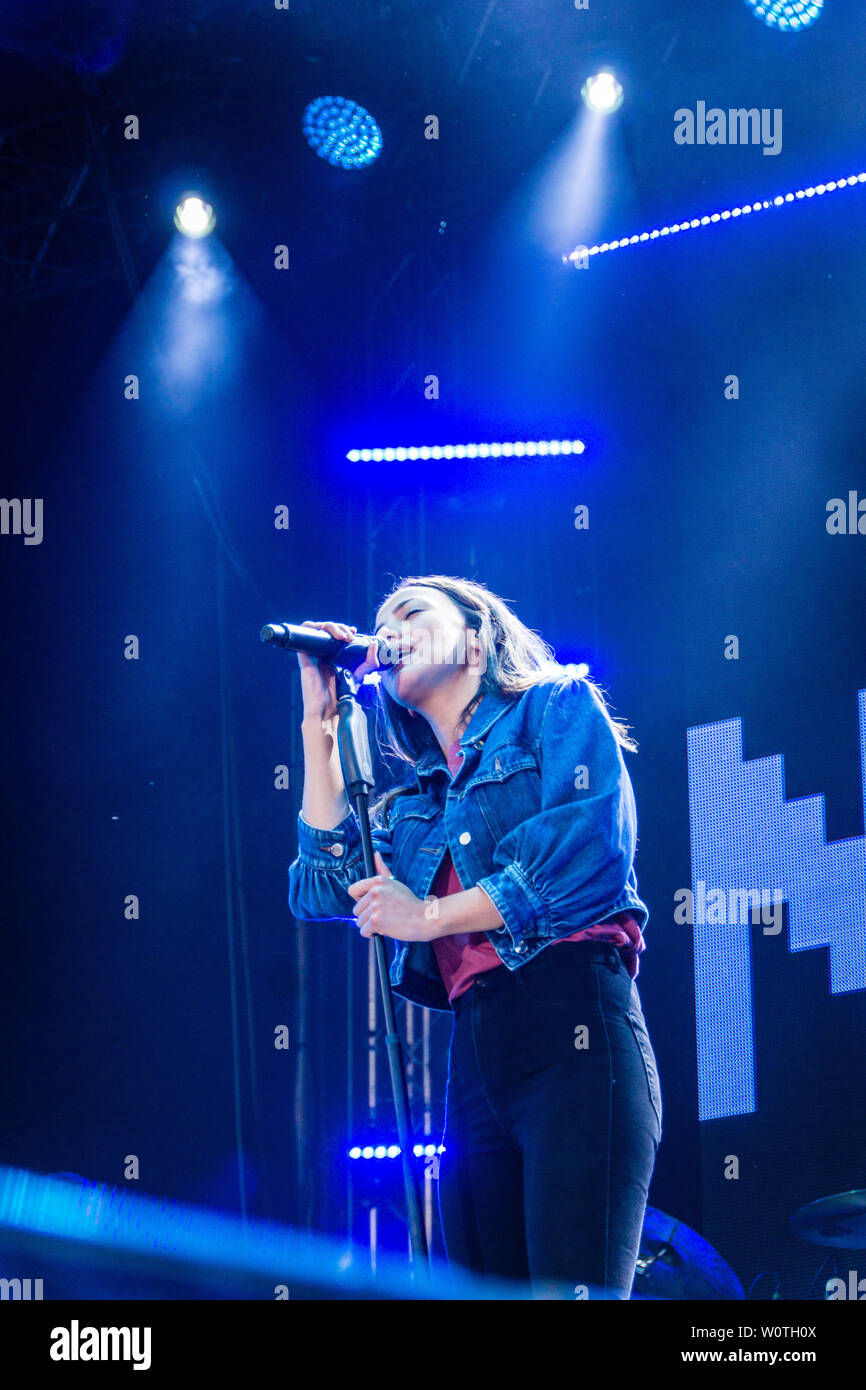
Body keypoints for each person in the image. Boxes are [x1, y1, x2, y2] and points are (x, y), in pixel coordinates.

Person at [287, 574, 661, 1299]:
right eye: (381, 619)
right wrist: (319, 724)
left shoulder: (556, 706)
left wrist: (428, 917)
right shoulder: (413, 805)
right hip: (477, 1056)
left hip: (574, 1030)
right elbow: (318, 885)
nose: (390, 627)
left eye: (411, 610)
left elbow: (585, 854)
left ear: (477, 637)